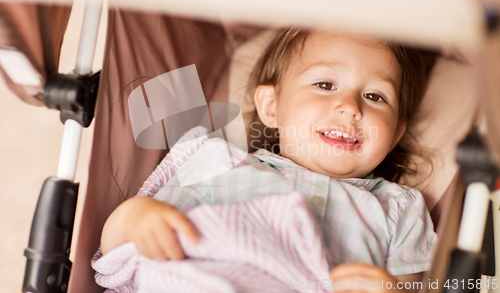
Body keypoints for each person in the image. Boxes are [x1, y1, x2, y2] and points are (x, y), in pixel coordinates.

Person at [99, 29, 438, 292]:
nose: (350, 106)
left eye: (374, 96)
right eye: (325, 84)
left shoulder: (396, 208)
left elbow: (411, 285)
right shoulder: (220, 162)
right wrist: (136, 217)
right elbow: (119, 250)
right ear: (272, 106)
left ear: (395, 134)